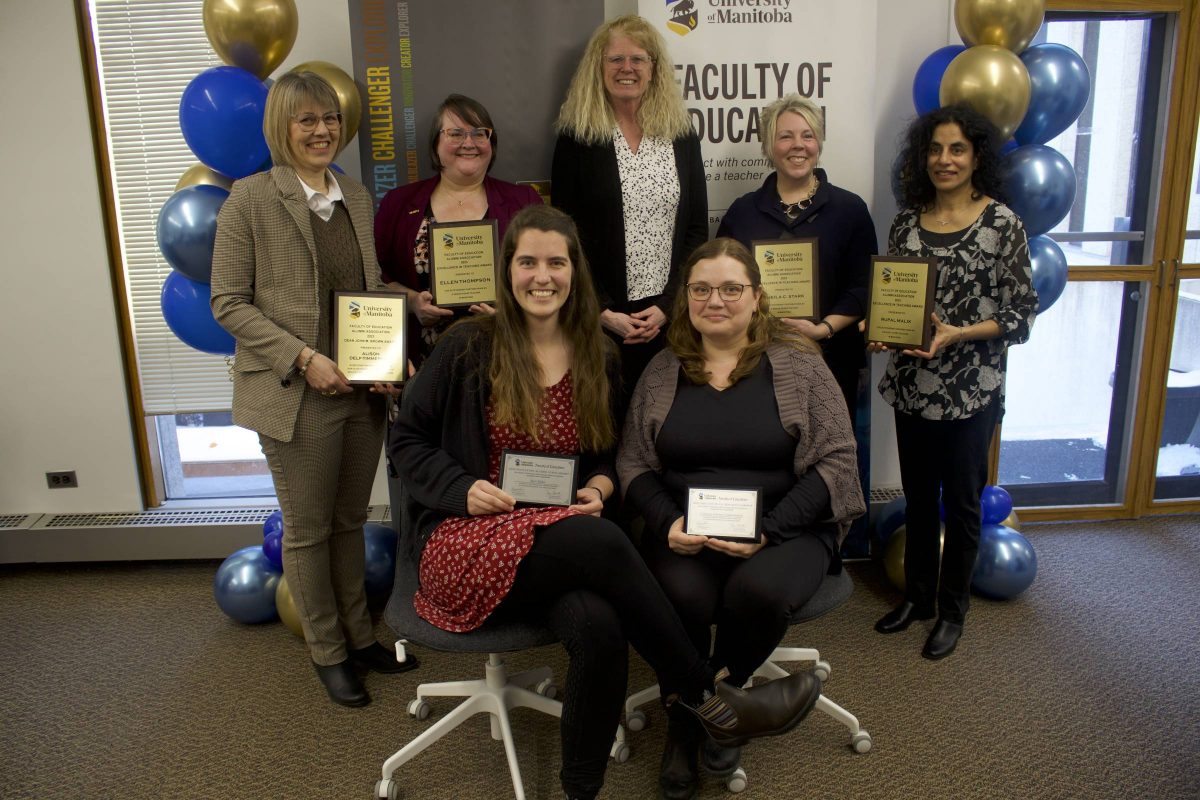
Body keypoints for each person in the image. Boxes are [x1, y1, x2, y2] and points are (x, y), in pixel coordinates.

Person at [389, 205, 823, 800]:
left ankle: (581, 789)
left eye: (556, 263)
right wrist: (460, 488)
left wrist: (598, 487)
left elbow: (605, 455)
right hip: (471, 538)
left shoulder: (598, 353)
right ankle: (707, 697)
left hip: (563, 535)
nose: (542, 277)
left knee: (599, 626)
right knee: (600, 542)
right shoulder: (469, 346)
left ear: (575, 273)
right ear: (507, 271)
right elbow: (406, 438)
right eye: (527, 262)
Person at [618, 237, 865, 799]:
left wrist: (769, 530)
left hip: (788, 526)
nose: (717, 300)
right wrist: (665, 524)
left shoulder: (800, 363)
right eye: (702, 289)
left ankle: (701, 705)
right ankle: (708, 714)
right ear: (686, 298)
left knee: (756, 592)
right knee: (682, 600)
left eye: (732, 288)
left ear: (757, 297)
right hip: (686, 530)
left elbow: (838, 459)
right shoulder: (662, 369)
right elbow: (633, 460)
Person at [210, 72, 417, 707]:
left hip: (360, 390)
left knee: (351, 521)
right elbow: (227, 303)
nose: (322, 130)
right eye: (307, 120)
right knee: (306, 530)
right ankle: (327, 651)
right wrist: (303, 358)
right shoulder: (249, 199)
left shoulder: (354, 196)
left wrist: (397, 344)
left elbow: (366, 288)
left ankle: (359, 637)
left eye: (328, 119)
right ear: (282, 127)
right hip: (296, 394)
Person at [870, 104, 1037, 660]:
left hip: (971, 388)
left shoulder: (1002, 225)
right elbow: (898, 298)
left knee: (962, 505)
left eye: (957, 149)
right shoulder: (907, 221)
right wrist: (882, 328)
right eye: (936, 149)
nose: (944, 160)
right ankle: (918, 597)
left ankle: (952, 611)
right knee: (918, 497)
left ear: (977, 156)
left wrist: (959, 333)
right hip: (914, 384)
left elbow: (1021, 316)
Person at [552, 14, 707, 395]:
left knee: (666, 430)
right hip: (601, 322)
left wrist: (670, 306)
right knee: (607, 433)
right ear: (598, 68)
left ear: (654, 68)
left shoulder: (680, 135)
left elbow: (696, 230)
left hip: (668, 321)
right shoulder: (577, 139)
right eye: (615, 59)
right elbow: (564, 237)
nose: (627, 68)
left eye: (638, 59)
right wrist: (603, 311)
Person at [717, 94, 877, 414]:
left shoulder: (850, 209)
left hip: (831, 358)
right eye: (785, 136)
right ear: (768, 146)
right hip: (756, 359)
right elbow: (721, 282)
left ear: (819, 142)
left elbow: (865, 286)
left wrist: (823, 329)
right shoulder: (743, 212)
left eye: (808, 135)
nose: (798, 145)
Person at [375, 93, 542, 366]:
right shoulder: (399, 203)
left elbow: (545, 275)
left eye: (479, 133)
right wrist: (413, 302)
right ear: (436, 143)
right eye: (455, 134)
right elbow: (376, 277)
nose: (469, 143)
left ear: (491, 143)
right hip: (423, 361)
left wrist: (510, 311)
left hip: (507, 355)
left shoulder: (524, 201)